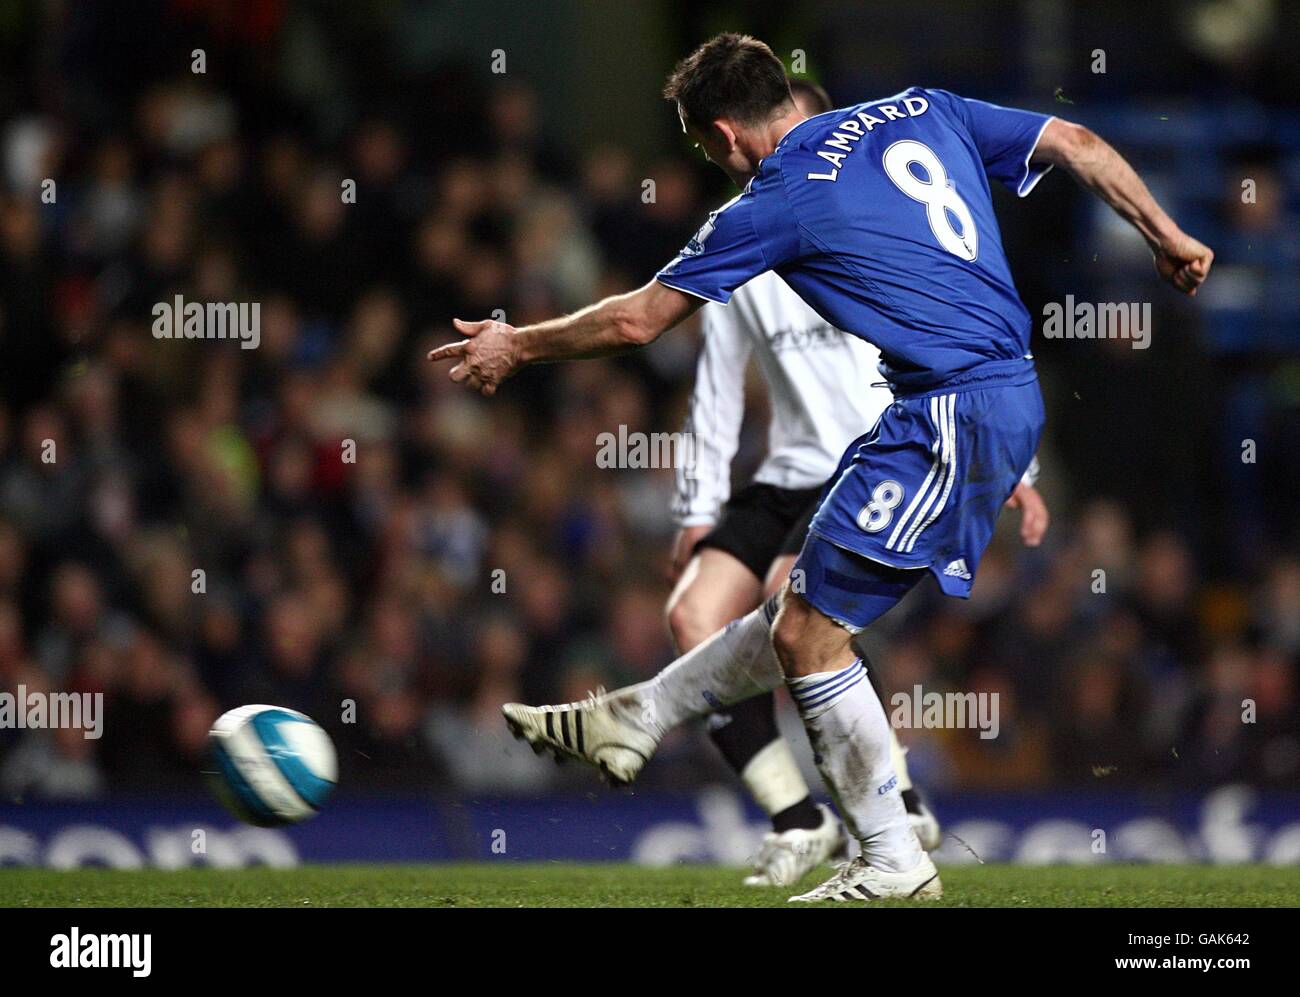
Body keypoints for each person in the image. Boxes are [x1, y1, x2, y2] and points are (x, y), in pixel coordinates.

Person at [429, 34, 1212, 902]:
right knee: (798, 612)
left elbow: (635, 323)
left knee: (809, 633)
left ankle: (893, 857)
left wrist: (516, 343)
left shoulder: (775, 200)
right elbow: (1077, 142)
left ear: (723, 135)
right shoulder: (924, 106)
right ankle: (640, 715)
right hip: (958, 400)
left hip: (955, 408)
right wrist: (1168, 237)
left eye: (701, 146)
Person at [667, 76, 1050, 888]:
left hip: (875, 454)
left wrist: (1018, 469)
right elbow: (717, 385)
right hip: (785, 471)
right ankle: (797, 815)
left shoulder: (858, 219)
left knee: (798, 614)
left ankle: (895, 811)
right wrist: (698, 505)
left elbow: (946, 337)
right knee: (693, 615)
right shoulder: (745, 234)